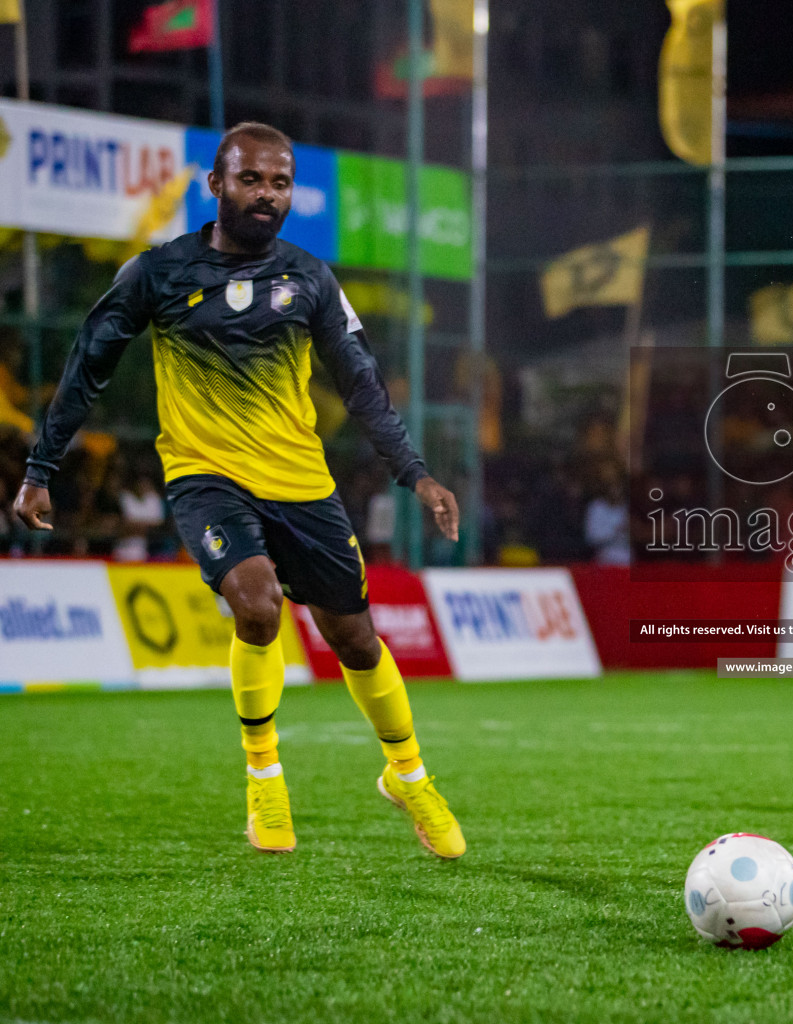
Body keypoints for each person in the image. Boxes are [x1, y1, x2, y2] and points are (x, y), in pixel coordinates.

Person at [13, 122, 466, 860]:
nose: (267, 194)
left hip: (301, 482)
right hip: (206, 477)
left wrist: (414, 471)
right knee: (256, 607)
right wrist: (40, 468)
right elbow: (86, 365)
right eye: (251, 179)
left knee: (355, 638)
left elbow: (362, 384)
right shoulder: (157, 274)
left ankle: (407, 773)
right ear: (215, 185)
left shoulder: (312, 278)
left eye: (280, 183)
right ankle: (265, 775)